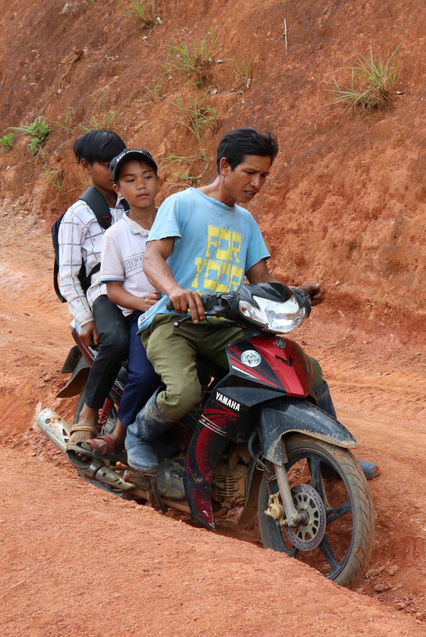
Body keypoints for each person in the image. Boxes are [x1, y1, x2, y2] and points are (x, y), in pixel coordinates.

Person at [127, 128, 376, 479]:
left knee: (306, 370)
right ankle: (139, 434)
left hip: (225, 326)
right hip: (175, 322)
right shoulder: (182, 203)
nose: (257, 183)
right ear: (225, 166)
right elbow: (152, 258)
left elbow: (262, 281)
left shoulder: (245, 221)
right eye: (251, 173)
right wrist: (174, 290)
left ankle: (333, 458)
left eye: (264, 176)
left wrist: (296, 292)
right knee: (183, 392)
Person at [75, 148, 163, 456]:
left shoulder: (173, 224)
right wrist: (143, 305)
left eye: (147, 177)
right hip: (140, 317)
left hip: (178, 312)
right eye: (131, 180)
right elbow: (112, 290)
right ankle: (122, 433)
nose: (141, 185)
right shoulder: (115, 235)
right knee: (145, 374)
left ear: (158, 181)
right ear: (118, 189)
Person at [57, 129, 130, 450]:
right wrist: (85, 319)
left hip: (141, 289)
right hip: (103, 293)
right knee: (115, 340)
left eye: (117, 162)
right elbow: (68, 275)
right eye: (105, 163)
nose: (114, 170)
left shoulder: (134, 203)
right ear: (86, 166)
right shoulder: (78, 215)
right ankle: (88, 412)